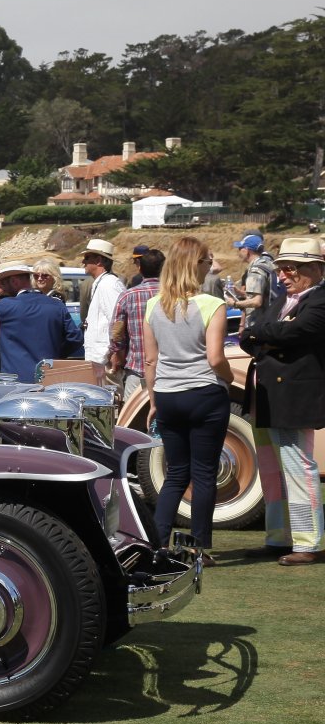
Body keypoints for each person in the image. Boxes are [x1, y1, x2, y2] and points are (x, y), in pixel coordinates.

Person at [142, 238, 232, 559]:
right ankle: (198, 546)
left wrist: (153, 401)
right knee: (204, 473)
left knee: (176, 474)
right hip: (205, 392)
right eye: (207, 261)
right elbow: (215, 357)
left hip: (167, 394)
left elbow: (150, 360)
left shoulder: (154, 305)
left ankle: (158, 544)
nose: (210, 267)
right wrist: (229, 379)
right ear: (195, 265)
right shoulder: (212, 305)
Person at [238, 236, 325, 565]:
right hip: (268, 396)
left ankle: (307, 542)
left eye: (290, 269)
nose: (283, 275)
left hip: (294, 397)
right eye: (281, 269)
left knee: (297, 466)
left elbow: (297, 331)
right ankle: (278, 537)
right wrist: (268, 335)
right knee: (271, 469)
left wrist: (264, 335)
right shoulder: (283, 302)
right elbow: (252, 334)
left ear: (314, 269)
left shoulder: (320, 299)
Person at [0, 262, 84, 383]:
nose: (0, 288)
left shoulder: (3, 307)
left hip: (15, 381)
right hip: (49, 377)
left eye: (3, 283)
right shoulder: (56, 305)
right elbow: (76, 338)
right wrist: (55, 355)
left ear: (14, 281)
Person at [108, 248, 164, 402]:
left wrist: (117, 353)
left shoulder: (128, 296)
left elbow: (116, 332)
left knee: (132, 414)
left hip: (137, 371)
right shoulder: (175, 296)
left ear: (140, 268)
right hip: (169, 372)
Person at [81, 238, 124, 375]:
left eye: (87, 258)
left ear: (99, 260)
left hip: (105, 359)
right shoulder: (103, 283)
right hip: (100, 358)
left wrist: (115, 352)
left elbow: (117, 321)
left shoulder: (109, 285)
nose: (83, 262)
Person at [230, 233, 278, 328]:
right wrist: (241, 293)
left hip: (259, 324)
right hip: (270, 319)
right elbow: (263, 293)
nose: (238, 252)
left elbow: (257, 301)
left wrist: (235, 304)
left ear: (247, 250)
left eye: (240, 248)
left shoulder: (255, 270)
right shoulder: (267, 264)